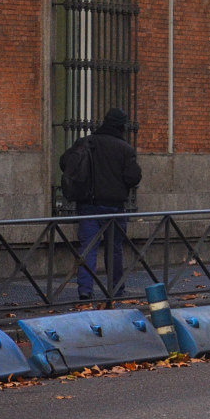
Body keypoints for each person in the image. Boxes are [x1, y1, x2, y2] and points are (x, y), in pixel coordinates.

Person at [75, 107, 143, 301]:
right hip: (114, 206)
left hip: (88, 205)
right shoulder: (124, 149)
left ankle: (85, 291)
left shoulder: (86, 143)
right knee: (114, 250)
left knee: (88, 248)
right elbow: (133, 177)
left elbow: (66, 163)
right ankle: (116, 289)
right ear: (121, 126)